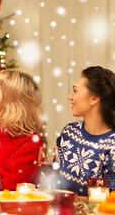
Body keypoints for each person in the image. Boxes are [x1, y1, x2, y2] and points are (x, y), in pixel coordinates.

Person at [56, 66, 115, 196]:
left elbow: (109, 200)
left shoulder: (112, 145)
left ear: (94, 99)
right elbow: (54, 184)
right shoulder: (68, 132)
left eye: (75, 91)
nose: (69, 96)